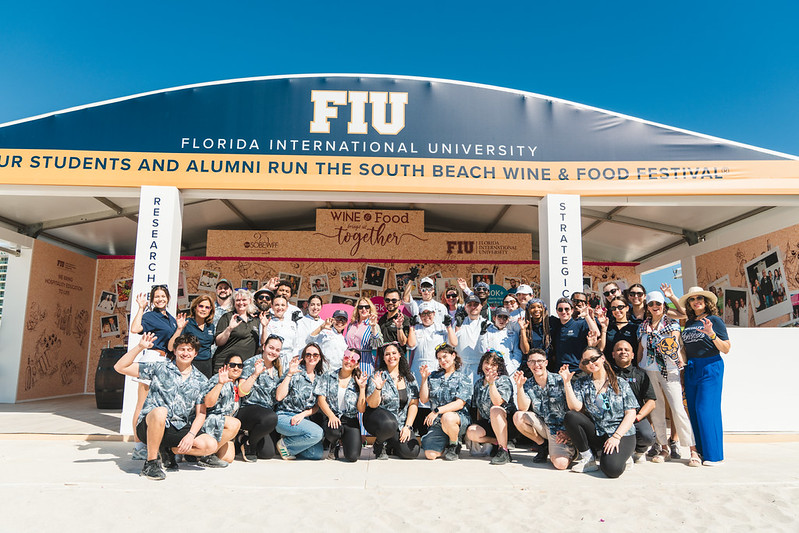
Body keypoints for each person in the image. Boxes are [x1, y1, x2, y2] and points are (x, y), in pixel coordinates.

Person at [114, 333, 217, 480]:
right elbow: (120, 367)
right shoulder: (159, 368)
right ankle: (151, 463)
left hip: (177, 427)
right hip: (150, 426)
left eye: (189, 350)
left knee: (210, 445)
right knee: (161, 411)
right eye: (182, 349)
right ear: (174, 351)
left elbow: (201, 413)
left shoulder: (201, 380)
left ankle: (170, 450)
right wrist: (139, 347)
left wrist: (190, 435)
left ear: (195, 353)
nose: (185, 353)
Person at [637, 291, 698, 465]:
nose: (655, 307)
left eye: (658, 303)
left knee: (678, 409)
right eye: (651, 304)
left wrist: (677, 356)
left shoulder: (672, 324)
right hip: (649, 370)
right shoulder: (642, 327)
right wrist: (639, 368)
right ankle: (664, 447)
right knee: (656, 410)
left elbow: (675, 344)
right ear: (647, 307)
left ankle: (692, 449)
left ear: (663, 305)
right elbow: (641, 351)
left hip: (669, 370)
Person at [561, 347, 638, 478]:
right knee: (571, 416)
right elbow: (576, 408)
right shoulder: (582, 382)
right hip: (598, 431)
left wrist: (616, 437)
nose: (590, 364)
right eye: (586, 362)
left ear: (602, 358)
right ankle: (588, 459)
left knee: (612, 470)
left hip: (621, 434)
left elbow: (631, 413)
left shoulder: (620, 383)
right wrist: (567, 383)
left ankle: (624, 456)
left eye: (593, 359)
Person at [679, 286, 731, 466]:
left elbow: (726, 348)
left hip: (711, 366)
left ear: (706, 301)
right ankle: (700, 452)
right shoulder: (690, 322)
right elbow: (686, 348)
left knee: (706, 409)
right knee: (693, 409)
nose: (696, 301)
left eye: (699, 298)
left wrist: (712, 334)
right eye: (692, 299)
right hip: (692, 368)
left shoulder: (714, 320)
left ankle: (714, 456)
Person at [129, 285, 179, 459]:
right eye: (156, 296)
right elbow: (135, 329)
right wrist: (141, 308)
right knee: (142, 405)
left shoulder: (171, 319)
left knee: (159, 406)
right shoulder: (149, 316)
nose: (160, 299)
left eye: (163, 296)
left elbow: (172, 344)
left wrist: (179, 328)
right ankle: (138, 447)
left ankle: (155, 443)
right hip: (151, 360)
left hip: (165, 363)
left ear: (168, 298)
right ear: (152, 299)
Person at [512, 348, 575, 469]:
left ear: (546, 363)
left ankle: (573, 450)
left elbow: (574, 408)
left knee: (560, 464)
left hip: (561, 430)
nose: (536, 365)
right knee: (518, 416)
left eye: (540, 361)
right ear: (528, 364)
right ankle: (542, 446)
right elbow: (523, 407)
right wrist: (519, 387)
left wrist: (569, 433)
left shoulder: (560, 379)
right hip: (543, 425)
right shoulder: (528, 383)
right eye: (532, 362)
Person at [364, 342, 421, 459]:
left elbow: (414, 404)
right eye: (387, 354)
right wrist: (378, 388)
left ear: (400, 355)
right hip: (379, 421)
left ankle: (391, 444)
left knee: (412, 452)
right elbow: (372, 404)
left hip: (399, 424)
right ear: (383, 358)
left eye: (394, 353)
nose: (391, 357)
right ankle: (379, 444)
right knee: (389, 423)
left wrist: (408, 427)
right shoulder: (377, 375)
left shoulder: (410, 377)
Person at [419, 344, 472, 461]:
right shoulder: (433, 376)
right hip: (438, 423)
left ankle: (454, 444)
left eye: (445, 356)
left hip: (457, 419)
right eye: (439, 358)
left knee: (447, 417)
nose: (442, 361)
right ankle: (445, 443)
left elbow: (459, 404)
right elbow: (423, 399)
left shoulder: (463, 378)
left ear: (453, 356)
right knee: (430, 455)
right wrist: (423, 379)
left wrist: (437, 411)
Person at [274, 343, 327, 460]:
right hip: (284, 416)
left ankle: (290, 443)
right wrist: (289, 374)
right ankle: (285, 445)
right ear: (303, 356)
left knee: (316, 454)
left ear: (319, 357)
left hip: (302, 419)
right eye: (308, 354)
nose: (312, 357)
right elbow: (278, 396)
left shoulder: (320, 378)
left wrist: (302, 414)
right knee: (317, 433)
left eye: (315, 355)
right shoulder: (295, 371)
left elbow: (317, 406)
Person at [315, 348, 368, 461]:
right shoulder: (329, 376)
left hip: (350, 419)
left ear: (357, 364)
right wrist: (331, 416)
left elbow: (361, 409)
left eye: (353, 360)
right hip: (332, 417)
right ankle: (333, 444)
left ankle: (345, 441)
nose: (349, 361)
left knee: (353, 457)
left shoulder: (358, 381)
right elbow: (321, 399)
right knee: (333, 431)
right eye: (347, 357)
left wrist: (362, 388)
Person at [236, 334, 283, 461]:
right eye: (271, 348)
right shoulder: (252, 363)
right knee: (272, 417)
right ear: (264, 347)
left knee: (267, 453)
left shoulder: (278, 368)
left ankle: (245, 438)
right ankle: (249, 445)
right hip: (248, 409)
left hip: (265, 415)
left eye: (277, 350)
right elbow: (241, 392)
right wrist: (255, 374)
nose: (273, 352)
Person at [610, 340, 657, 463]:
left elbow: (651, 402)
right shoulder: (607, 374)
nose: (623, 352)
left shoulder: (641, 375)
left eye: (627, 350)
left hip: (635, 417)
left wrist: (636, 418)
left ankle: (639, 451)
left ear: (632, 355)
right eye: (619, 349)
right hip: (612, 418)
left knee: (647, 436)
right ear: (613, 354)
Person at [465, 350, 515, 465]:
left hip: (506, 423)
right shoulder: (478, 383)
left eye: (493, 364)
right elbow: (478, 409)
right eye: (486, 362)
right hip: (489, 423)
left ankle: (504, 451)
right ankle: (497, 442)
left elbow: (497, 402)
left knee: (495, 409)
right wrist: (477, 425)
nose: (489, 366)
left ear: (499, 366)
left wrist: (492, 384)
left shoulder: (503, 380)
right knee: (472, 432)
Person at [201, 354, 245, 466]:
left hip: (223, 425)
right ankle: (206, 454)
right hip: (209, 421)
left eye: (240, 366)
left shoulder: (238, 384)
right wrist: (220, 384)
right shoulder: (218, 379)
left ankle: (202, 452)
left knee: (228, 458)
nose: (236, 368)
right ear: (226, 366)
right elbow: (208, 403)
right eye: (233, 365)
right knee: (235, 424)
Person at [406, 301, 458, 389]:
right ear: (419, 315)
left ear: (434, 314)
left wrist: (448, 327)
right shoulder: (416, 328)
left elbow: (454, 343)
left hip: (437, 366)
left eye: (429, 313)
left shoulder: (441, 327)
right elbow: (411, 345)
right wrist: (411, 327)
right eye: (423, 314)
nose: (426, 316)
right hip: (419, 367)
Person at [548, 297, 600, 373]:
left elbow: (596, 333)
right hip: (560, 371)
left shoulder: (579, 324)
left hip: (577, 371)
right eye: (560, 309)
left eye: (567, 309)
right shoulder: (555, 325)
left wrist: (587, 316)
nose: (563, 312)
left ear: (572, 311)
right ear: (557, 311)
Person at [169, 295, 216, 378]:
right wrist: (179, 329)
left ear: (210, 310)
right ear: (195, 308)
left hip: (207, 365)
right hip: (189, 364)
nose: (203, 309)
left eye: (207, 307)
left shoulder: (210, 326)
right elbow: (170, 347)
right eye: (201, 306)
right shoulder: (186, 323)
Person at [214, 289, 261, 372]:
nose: (241, 303)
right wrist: (229, 329)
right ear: (234, 302)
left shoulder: (255, 321)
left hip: (245, 367)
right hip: (226, 365)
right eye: (238, 300)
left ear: (249, 301)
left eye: (244, 300)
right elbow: (218, 342)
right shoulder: (228, 317)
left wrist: (264, 326)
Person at [345, 297, 384, 378]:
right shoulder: (351, 325)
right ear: (357, 309)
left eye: (367, 307)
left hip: (365, 363)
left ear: (370, 309)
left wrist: (373, 327)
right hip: (349, 362)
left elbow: (378, 344)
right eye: (360, 307)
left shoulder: (374, 325)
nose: (364, 309)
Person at [479, 307, 523, 377]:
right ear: (494, 318)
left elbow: (517, 354)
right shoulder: (487, 332)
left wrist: (509, 369)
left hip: (508, 371)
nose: (502, 320)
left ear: (508, 320)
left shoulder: (512, 334)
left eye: (505, 318)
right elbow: (482, 351)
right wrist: (482, 335)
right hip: (491, 371)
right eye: (499, 317)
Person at [454, 294, 488, 383]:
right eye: (470, 305)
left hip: (481, 369)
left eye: (476, 305)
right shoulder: (459, 323)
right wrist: (457, 327)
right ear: (465, 307)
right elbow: (452, 344)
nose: (473, 307)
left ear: (481, 306)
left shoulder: (487, 324)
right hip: (462, 368)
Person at [263, 294, 300, 367]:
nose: (280, 308)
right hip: (273, 359)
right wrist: (264, 326)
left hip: (290, 359)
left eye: (283, 305)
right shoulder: (267, 321)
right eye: (277, 305)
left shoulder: (292, 323)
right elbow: (263, 343)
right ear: (272, 306)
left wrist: (295, 357)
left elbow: (296, 343)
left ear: (286, 307)